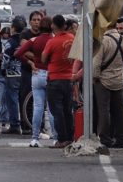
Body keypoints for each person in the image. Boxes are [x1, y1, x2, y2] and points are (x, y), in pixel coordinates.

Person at [89, 17, 123, 148]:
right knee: (120, 110)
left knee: (104, 110)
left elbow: (96, 63)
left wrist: (95, 76)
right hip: (119, 80)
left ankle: (106, 139)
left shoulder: (102, 41)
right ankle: (121, 139)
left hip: (103, 80)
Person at [16, 15, 54, 147]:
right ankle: (55, 138)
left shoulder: (34, 40)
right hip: (50, 75)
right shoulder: (53, 40)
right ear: (51, 27)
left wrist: (31, 63)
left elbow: (17, 53)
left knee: (37, 107)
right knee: (50, 108)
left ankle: (35, 138)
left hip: (36, 74)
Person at [41, 15, 77, 148]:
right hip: (68, 79)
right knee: (68, 110)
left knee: (57, 111)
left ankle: (61, 139)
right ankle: (70, 137)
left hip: (55, 79)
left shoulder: (52, 42)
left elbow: (44, 58)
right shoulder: (72, 39)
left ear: (53, 26)